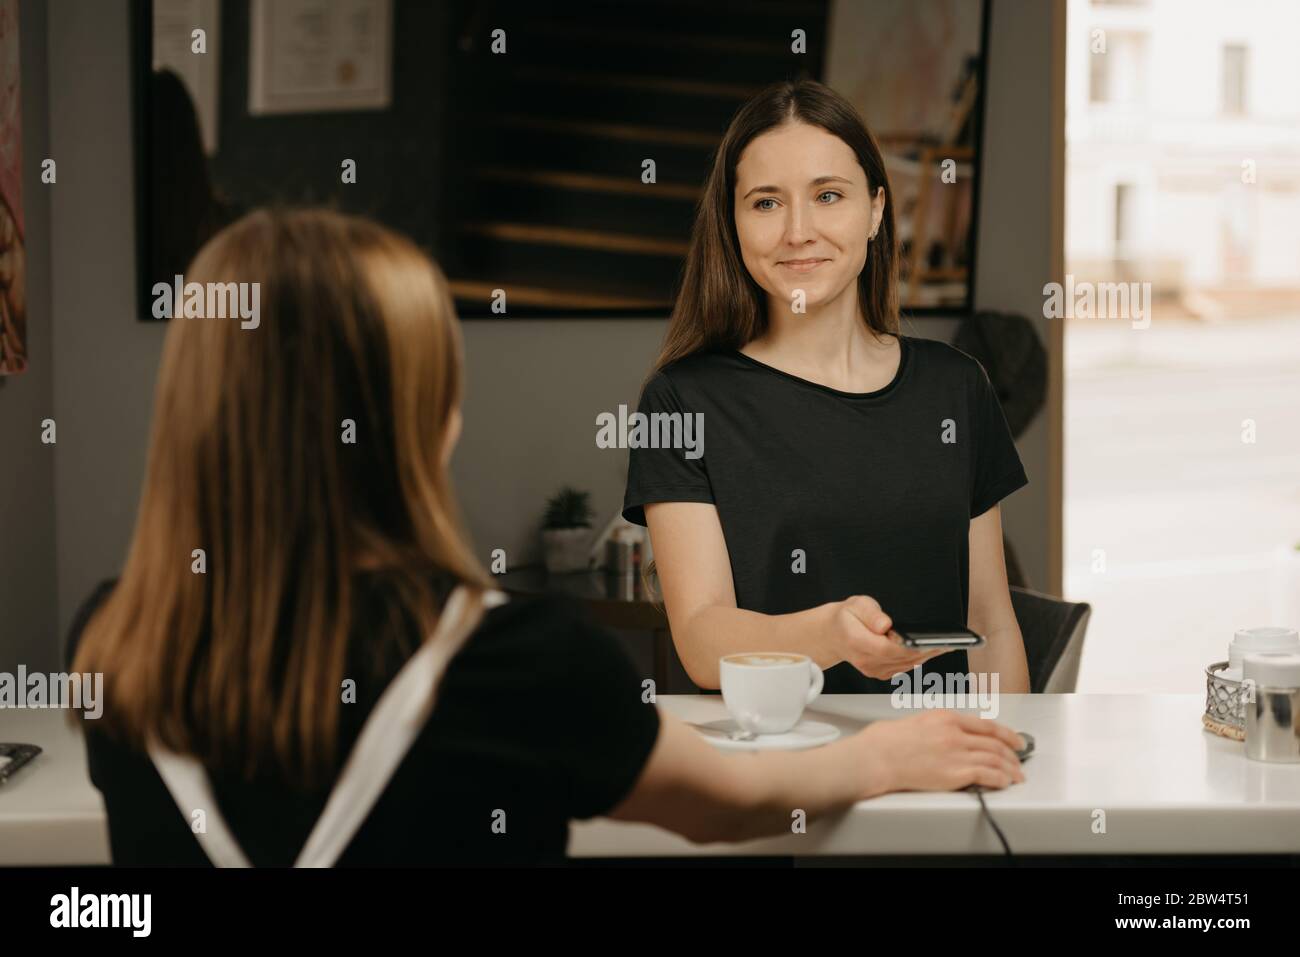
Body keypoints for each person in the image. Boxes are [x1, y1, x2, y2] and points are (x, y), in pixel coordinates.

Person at [68, 207, 1025, 867]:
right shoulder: (514, 662)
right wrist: (887, 757)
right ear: (426, 417)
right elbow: (730, 803)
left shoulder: (113, 639)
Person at [623, 79, 1032, 694]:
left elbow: (990, 624)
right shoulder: (683, 401)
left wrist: (1007, 770)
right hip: (784, 768)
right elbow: (703, 640)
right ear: (732, 224)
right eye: (765, 203)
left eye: (828, 195)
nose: (798, 231)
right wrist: (829, 636)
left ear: (875, 209)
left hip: (938, 771)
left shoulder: (957, 387)